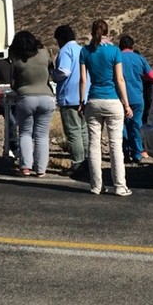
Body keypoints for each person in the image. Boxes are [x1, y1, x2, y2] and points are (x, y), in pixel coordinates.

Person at [78, 19, 134, 196]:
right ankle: (119, 186)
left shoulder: (85, 51)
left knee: (94, 145)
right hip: (112, 101)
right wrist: (126, 104)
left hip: (93, 101)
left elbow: (83, 80)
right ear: (107, 32)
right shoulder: (114, 51)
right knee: (115, 145)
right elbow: (119, 80)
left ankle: (96, 186)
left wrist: (82, 101)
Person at [9, 30, 56, 177]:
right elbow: (51, 70)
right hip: (47, 98)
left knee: (25, 133)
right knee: (42, 135)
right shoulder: (44, 54)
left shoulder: (17, 60)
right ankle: (41, 169)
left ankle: (25, 167)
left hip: (26, 98)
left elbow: (13, 84)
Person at [52, 24, 89, 177]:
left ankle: (77, 163)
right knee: (83, 131)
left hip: (69, 97)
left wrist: (53, 74)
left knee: (73, 132)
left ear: (61, 38)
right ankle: (88, 162)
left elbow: (64, 71)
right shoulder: (82, 49)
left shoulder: (65, 51)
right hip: (83, 96)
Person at [118, 34, 153, 163]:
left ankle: (124, 153)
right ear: (132, 46)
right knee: (136, 125)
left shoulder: (116, 58)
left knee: (122, 126)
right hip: (136, 97)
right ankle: (137, 153)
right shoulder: (139, 59)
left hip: (120, 99)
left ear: (120, 46)